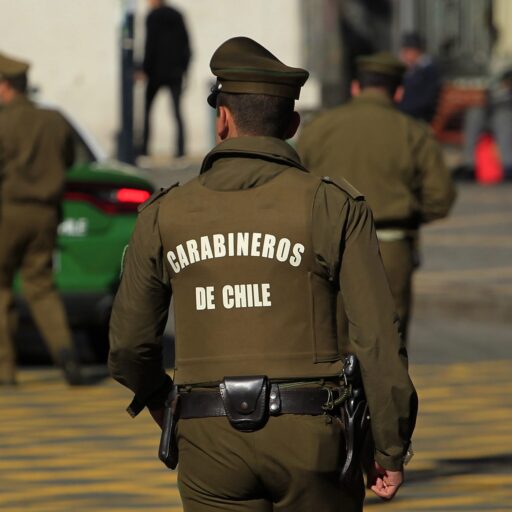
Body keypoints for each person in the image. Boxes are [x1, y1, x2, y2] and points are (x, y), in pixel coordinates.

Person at [110, 37, 417, 511]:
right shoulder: (332, 205)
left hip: (208, 437)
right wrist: (389, 445)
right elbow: (376, 336)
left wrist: (162, 402)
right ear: (291, 124)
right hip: (313, 435)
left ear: (223, 120)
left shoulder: (164, 213)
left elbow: (129, 344)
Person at [298, 52, 456, 344]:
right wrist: (407, 211)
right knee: (386, 349)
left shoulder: (317, 128)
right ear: (399, 91)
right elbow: (440, 197)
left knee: (331, 346)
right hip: (390, 247)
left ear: (355, 88)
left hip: (328, 249)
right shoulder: (412, 132)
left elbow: (294, 185)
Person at [0, 51, 84, 387]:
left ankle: (2, 368)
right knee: (42, 286)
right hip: (46, 214)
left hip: (8, 215)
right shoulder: (54, 120)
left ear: (5, 87)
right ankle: (65, 353)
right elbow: (70, 159)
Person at [139, 0, 191, 157]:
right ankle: (180, 150)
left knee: (147, 111)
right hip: (175, 73)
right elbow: (187, 45)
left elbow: (150, 45)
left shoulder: (152, 17)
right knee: (177, 112)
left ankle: (144, 150)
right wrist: (184, 69)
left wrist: (144, 69)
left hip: (156, 72)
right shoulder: (177, 15)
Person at [460, 67, 512, 180]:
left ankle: (508, 166)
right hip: (491, 116)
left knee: (503, 116)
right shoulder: (497, 90)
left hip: (505, 119)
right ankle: (470, 165)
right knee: (474, 113)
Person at [398, 32, 441, 123]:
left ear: (416, 51)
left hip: (418, 117)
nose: (403, 55)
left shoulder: (428, 70)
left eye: (406, 51)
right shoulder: (412, 69)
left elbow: (425, 101)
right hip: (409, 113)